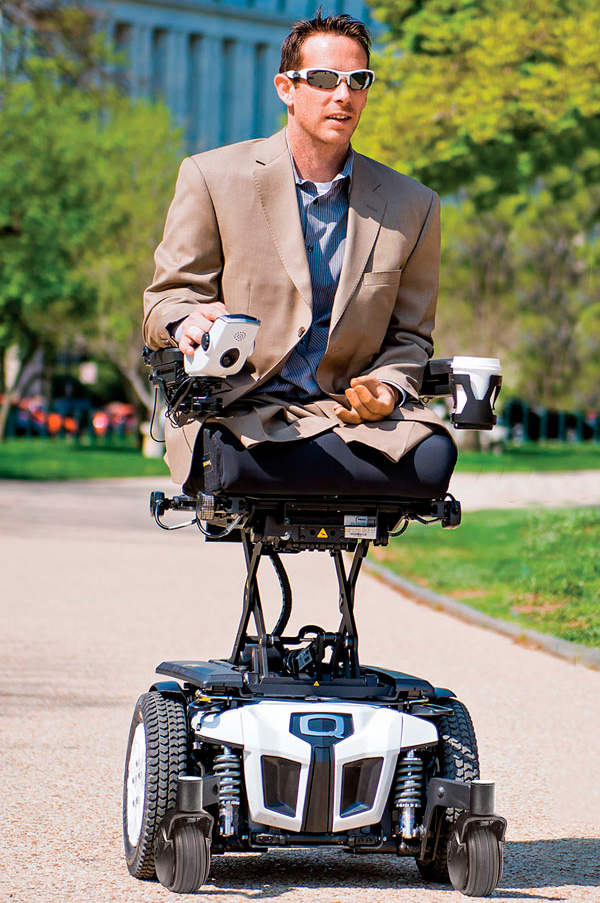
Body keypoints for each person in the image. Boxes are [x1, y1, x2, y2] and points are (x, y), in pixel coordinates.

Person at [143, 12, 455, 493]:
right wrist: (187, 323)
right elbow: (166, 300)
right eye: (324, 79)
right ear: (286, 88)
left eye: (358, 81)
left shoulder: (414, 205)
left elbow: (410, 337)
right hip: (241, 409)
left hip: (354, 418)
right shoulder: (212, 177)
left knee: (433, 457)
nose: (343, 95)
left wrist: (387, 388)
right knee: (229, 463)